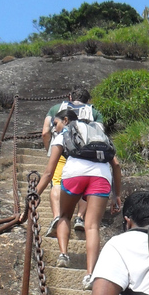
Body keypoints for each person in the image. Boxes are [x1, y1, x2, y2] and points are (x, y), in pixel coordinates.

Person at [35, 108, 121, 290]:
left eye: (56, 124)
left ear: (65, 121)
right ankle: (90, 275)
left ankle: (64, 255)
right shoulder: (98, 133)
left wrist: (35, 193)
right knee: (92, 226)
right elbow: (117, 164)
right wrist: (117, 195)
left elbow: (49, 172)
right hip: (101, 175)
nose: (56, 128)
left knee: (65, 215)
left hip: (74, 173)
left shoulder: (64, 133)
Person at [41, 88, 104, 237]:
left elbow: (45, 132)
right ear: (88, 101)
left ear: (70, 97)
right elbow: (100, 134)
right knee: (83, 188)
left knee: (57, 183)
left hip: (62, 150)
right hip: (85, 153)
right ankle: (80, 218)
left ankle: (57, 217)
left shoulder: (57, 109)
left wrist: (50, 151)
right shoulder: (94, 112)